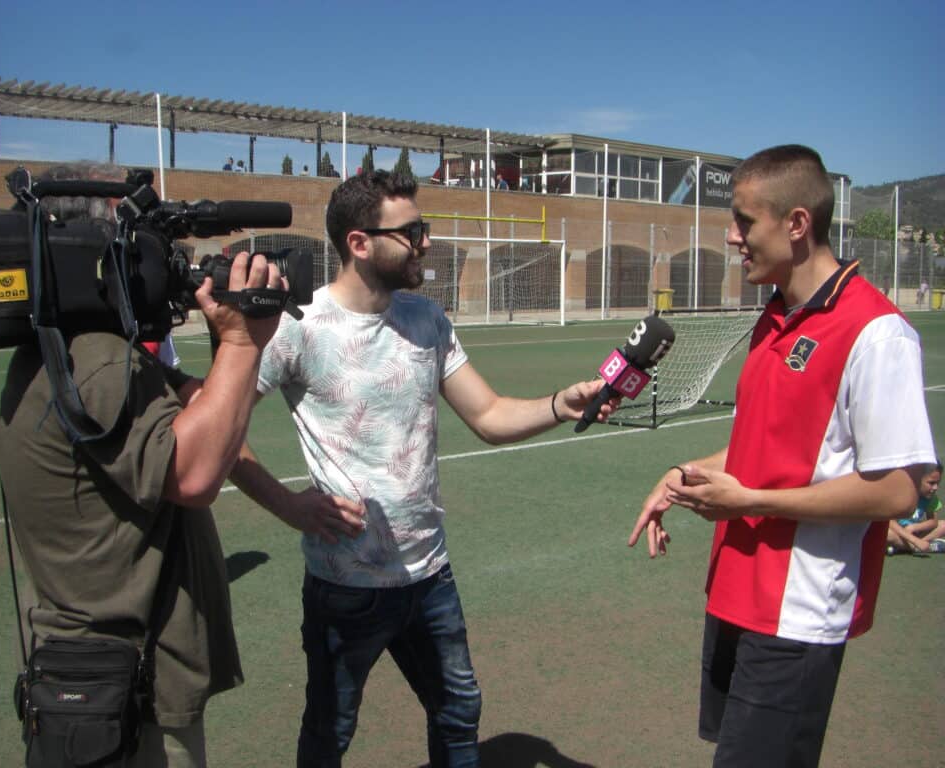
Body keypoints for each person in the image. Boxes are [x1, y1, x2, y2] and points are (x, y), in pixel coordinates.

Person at [231, 170, 620, 767]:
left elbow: (488, 415)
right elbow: (221, 434)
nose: (426, 242)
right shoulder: (297, 327)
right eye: (411, 231)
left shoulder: (427, 319)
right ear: (359, 243)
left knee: (459, 709)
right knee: (330, 730)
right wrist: (287, 506)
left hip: (429, 574)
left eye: (424, 228)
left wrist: (557, 405)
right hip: (346, 585)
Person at [628, 145, 936, 768]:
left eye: (745, 220)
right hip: (738, 593)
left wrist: (751, 501)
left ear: (796, 224)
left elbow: (899, 489)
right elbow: (767, 445)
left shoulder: (877, 333)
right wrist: (688, 474)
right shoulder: (775, 316)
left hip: (797, 615)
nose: (732, 235)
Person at [0, 163, 288, 767]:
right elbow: (195, 472)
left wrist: (224, 338)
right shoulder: (97, 362)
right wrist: (242, 343)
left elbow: (200, 408)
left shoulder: (69, 347)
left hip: (98, 673)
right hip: (125, 686)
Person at [886, 460, 945, 554]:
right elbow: (890, 522)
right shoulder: (902, 494)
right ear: (917, 479)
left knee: (943, 525)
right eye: (931, 483)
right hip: (898, 532)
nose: (935, 488)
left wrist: (915, 527)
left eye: (937, 483)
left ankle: (902, 546)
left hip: (914, 532)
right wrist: (915, 541)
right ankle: (922, 546)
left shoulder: (930, 497)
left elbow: (933, 522)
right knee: (886, 533)